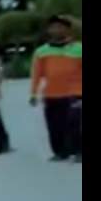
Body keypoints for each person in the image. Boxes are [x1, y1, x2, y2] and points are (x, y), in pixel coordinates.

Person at [30, 15, 82, 163]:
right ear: (48, 30)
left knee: (74, 122)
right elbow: (36, 74)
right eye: (53, 27)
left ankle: (78, 151)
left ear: (67, 30)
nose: (56, 30)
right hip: (51, 94)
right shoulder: (41, 51)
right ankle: (60, 152)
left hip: (76, 92)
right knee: (54, 125)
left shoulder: (79, 48)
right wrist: (33, 93)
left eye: (60, 27)